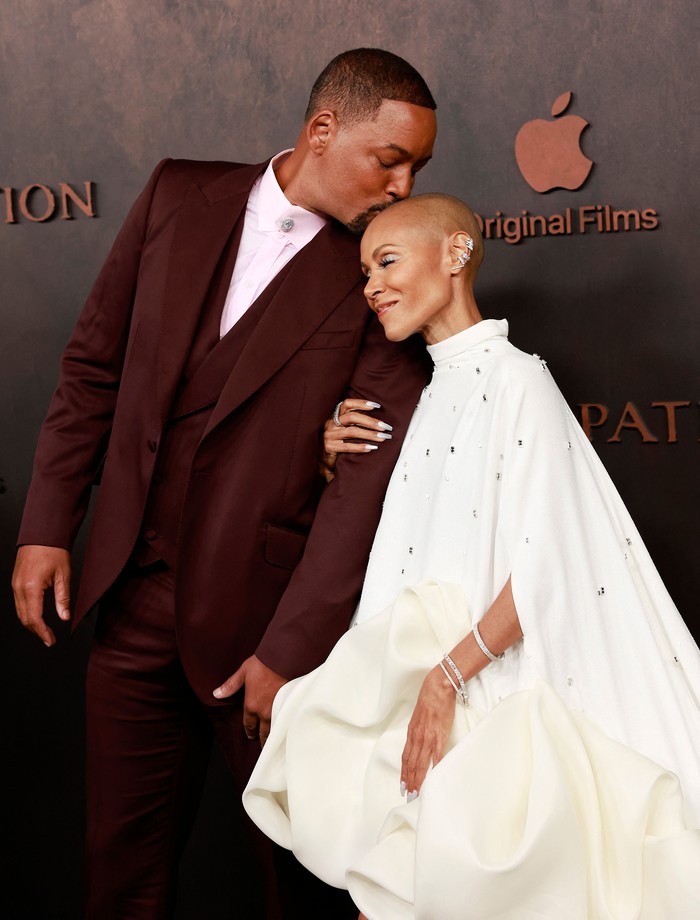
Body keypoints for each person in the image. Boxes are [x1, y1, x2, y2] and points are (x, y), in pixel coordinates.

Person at [11, 49, 438, 919]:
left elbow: (363, 487)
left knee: (307, 882)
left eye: (417, 170)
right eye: (388, 160)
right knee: (120, 875)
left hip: (266, 634)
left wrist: (289, 652)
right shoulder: (175, 194)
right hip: (130, 600)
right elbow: (94, 367)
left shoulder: (378, 273)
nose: (402, 187)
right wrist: (46, 523)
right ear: (322, 130)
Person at [243, 194, 700, 919]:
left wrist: (446, 679)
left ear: (455, 254)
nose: (371, 287)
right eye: (365, 272)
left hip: (486, 700)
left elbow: (550, 567)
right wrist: (327, 453)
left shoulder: (517, 379)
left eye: (387, 261)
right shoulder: (430, 390)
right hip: (426, 697)